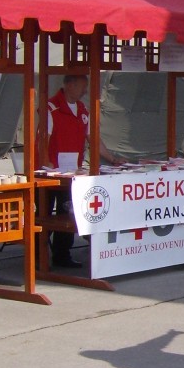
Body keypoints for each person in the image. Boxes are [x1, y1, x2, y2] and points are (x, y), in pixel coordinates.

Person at [43, 74, 124, 268]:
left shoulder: (82, 110)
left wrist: (112, 159)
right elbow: (42, 140)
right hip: (50, 172)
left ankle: (62, 255)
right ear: (69, 85)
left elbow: (93, 139)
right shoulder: (51, 108)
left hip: (73, 173)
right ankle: (38, 257)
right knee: (44, 214)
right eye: (82, 86)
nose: (85, 91)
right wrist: (46, 166)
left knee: (68, 211)